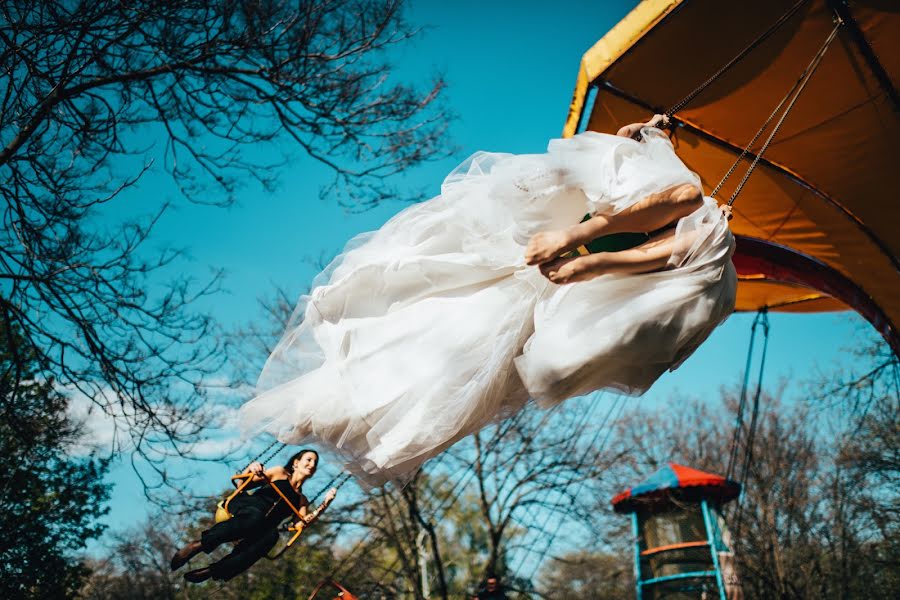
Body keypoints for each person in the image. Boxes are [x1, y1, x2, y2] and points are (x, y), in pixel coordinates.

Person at [239, 115, 736, 486]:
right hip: (530, 266)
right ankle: (333, 405)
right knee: (426, 317)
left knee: (454, 356)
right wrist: (578, 235)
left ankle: (348, 413)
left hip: (545, 287)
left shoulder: (701, 228)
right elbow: (661, 202)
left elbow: (682, 212)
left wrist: (586, 258)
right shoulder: (643, 179)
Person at [170, 449, 337, 583]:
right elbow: (243, 484)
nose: (312, 464)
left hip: (263, 526)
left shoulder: (302, 500)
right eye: (308, 459)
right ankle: (198, 545)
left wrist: (324, 505)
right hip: (249, 506)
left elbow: (299, 525)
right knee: (256, 517)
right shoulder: (279, 473)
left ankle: (214, 570)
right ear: (296, 462)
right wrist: (253, 468)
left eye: (315, 463)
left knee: (272, 535)